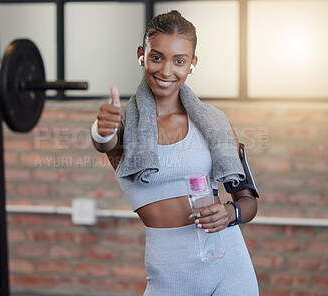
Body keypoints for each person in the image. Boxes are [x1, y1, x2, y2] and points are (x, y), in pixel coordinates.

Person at [91, 10, 259, 296]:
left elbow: (248, 199)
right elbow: (104, 142)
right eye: (157, 57)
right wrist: (101, 129)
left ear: (192, 64)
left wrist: (231, 213)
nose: (166, 71)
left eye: (179, 61)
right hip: (170, 274)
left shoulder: (215, 122)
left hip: (230, 267)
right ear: (141, 54)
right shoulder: (126, 125)